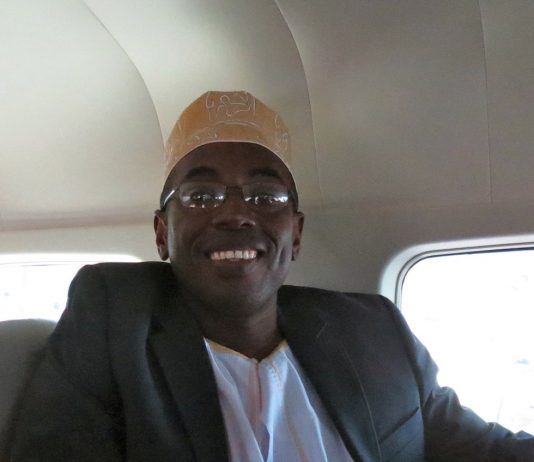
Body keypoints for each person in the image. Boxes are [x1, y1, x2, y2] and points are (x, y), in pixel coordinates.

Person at [9, 91, 534, 461]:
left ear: (295, 233)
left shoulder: (374, 331)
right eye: (201, 195)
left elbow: (484, 450)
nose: (235, 214)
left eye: (266, 196)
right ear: (162, 233)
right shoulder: (114, 324)